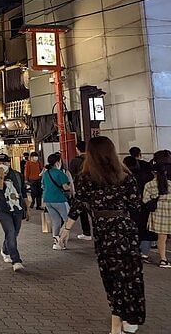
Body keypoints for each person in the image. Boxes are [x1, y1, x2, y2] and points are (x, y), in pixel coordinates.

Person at [59, 136, 145, 334]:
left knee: (112, 278)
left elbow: (78, 204)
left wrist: (66, 229)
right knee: (131, 276)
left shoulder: (86, 178)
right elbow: (135, 206)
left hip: (104, 233)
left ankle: (116, 325)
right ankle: (130, 319)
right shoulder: (126, 176)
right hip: (126, 231)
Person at [0, 153, 28, 272]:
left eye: (5, 163)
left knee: (14, 233)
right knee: (10, 231)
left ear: (9, 163)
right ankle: (16, 261)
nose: (2, 165)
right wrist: (1, 177)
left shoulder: (17, 175)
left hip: (17, 209)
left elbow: (23, 193)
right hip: (2, 209)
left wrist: (26, 209)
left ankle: (5, 250)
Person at [124, 155, 156, 261]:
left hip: (131, 208)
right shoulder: (148, 176)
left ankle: (133, 250)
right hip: (146, 207)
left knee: (132, 229)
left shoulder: (125, 178)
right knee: (146, 230)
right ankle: (144, 253)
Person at [142, 150, 171, 268]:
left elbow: (145, 200)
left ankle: (163, 260)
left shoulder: (149, 184)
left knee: (161, 238)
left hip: (159, 213)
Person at [41, 152, 71, 250]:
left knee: (56, 221)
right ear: (57, 162)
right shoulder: (60, 173)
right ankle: (61, 241)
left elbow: (43, 185)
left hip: (48, 200)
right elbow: (65, 187)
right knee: (68, 220)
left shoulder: (46, 173)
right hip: (59, 199)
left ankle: (55, 243)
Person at [68, 141, 93, 241]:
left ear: (77, 149)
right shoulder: (92, 159)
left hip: (80, 190)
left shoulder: (75, 161)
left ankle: (86, 232)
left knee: (82, 212)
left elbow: (70, 177)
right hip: (94, 190)